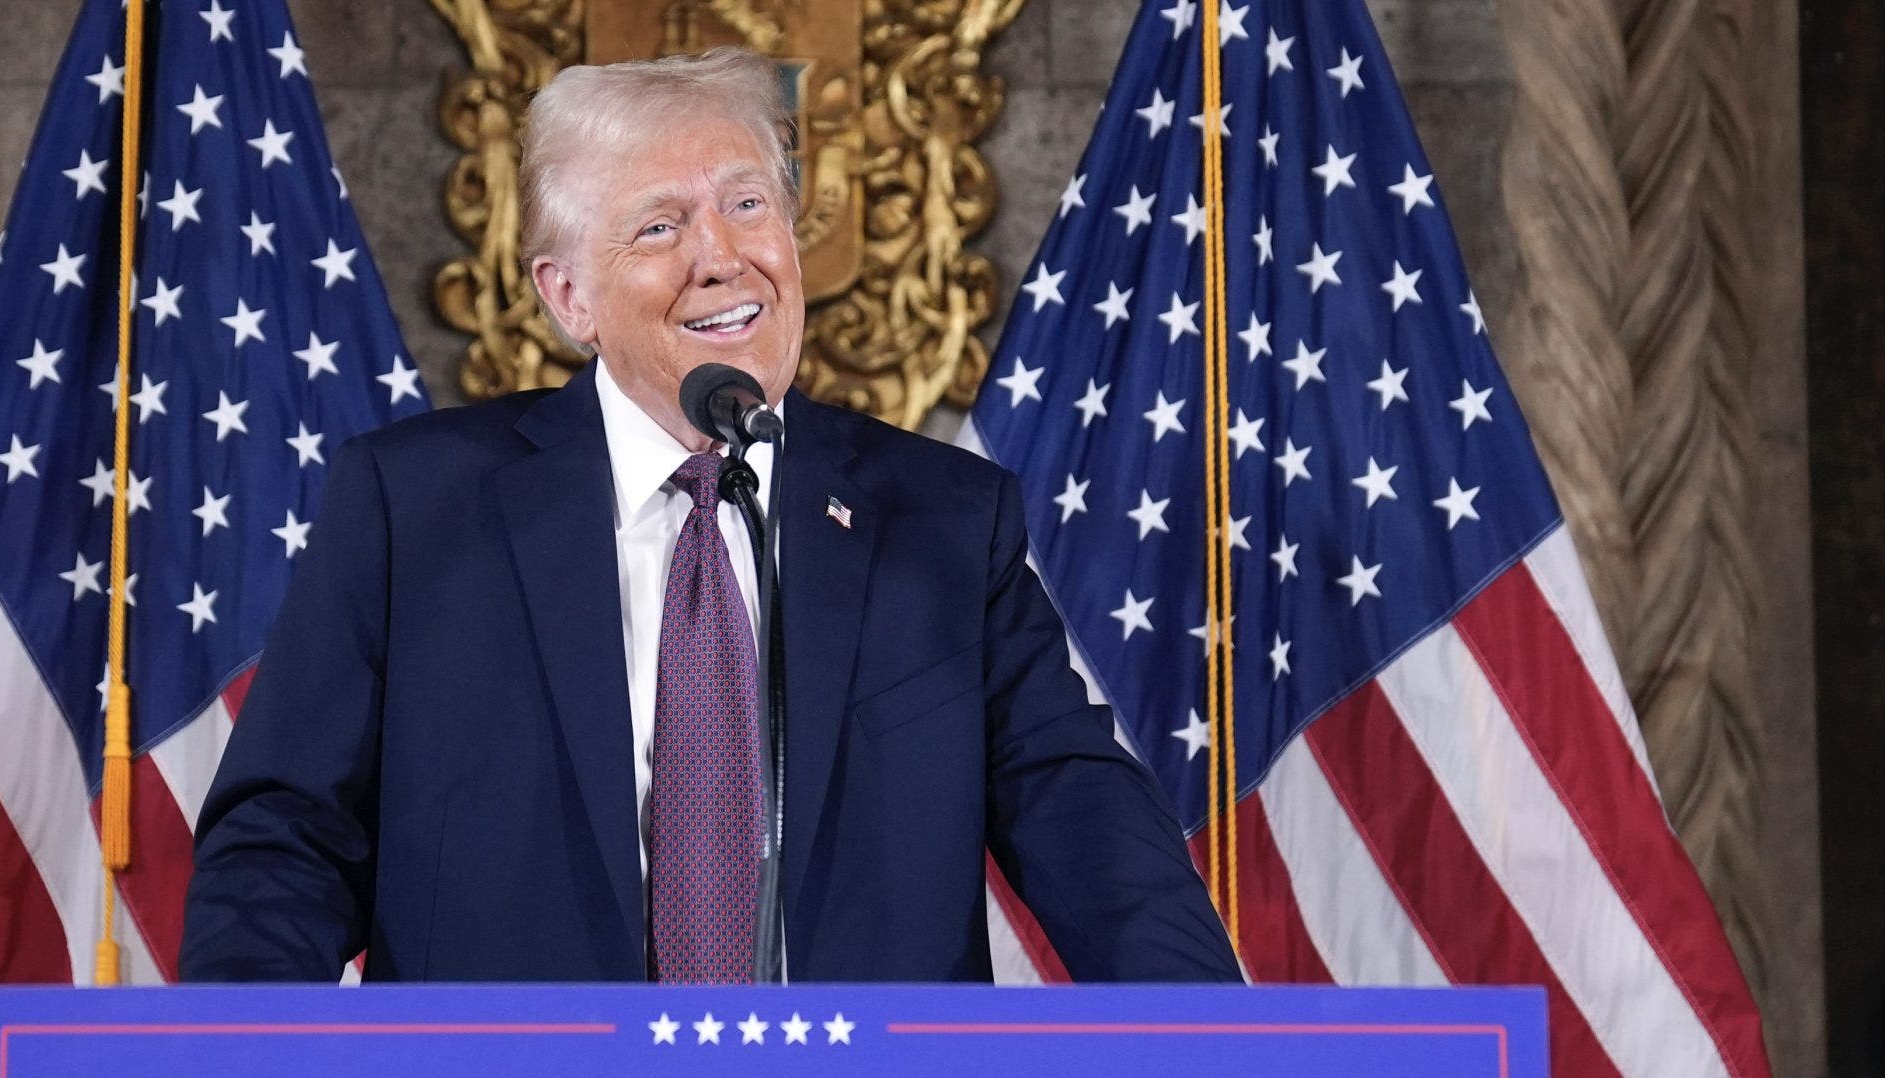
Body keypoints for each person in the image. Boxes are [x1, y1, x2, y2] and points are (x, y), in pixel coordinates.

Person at [179, 48, 1237, 985]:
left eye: (747, 205)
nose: (722, 255)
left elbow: (1087, 823)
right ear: (567, 297)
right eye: (658, 225)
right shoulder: (414, 508)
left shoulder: (943, 519)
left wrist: (1234, 1067)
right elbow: (285, 841)